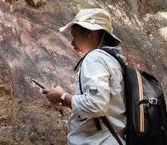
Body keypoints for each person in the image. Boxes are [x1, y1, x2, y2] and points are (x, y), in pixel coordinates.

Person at [42, 8, 126, 145]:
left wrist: (63, 97)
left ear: (90, 33)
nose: (72, 43)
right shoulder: (115, 60)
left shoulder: (95, 58)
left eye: (74, 35)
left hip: (98, 141)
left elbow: (96, 104)